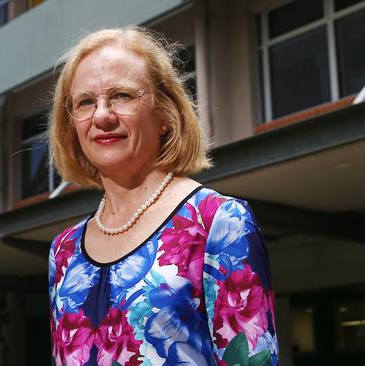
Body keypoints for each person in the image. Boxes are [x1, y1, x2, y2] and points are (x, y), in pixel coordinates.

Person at [48, 27, 278, 366]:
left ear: (165, 115)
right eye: (85, 102)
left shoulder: (218, 222)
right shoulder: (63, 250)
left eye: (122, 96)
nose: (102, 116)